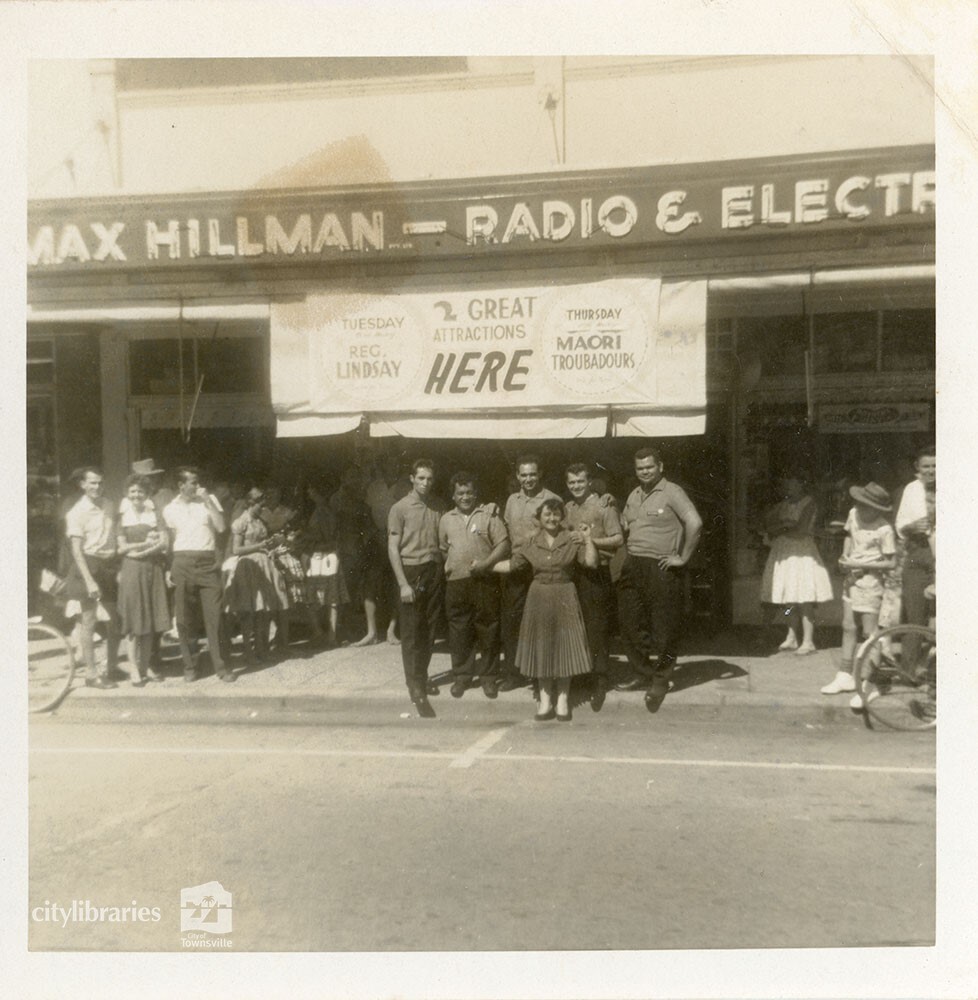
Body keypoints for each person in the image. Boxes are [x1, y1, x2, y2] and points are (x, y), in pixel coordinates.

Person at [493, 499, 598, 721]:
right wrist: (482, 565)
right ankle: (545, 700)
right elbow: (513, 565)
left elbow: (590, 563)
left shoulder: (572, 539)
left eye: (556, 515)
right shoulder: (530, 542)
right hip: (538, 598)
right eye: (547, 515)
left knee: (565, 648)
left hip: (565, 596)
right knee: (541, 648)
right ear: (539, 518)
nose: (552, 519)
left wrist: (588, 540)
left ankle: (562, 700)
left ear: (562, 516)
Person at [617, 446, 703, 713]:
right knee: (630, 621)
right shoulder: (634, 493)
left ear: (660, 467)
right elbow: (626, 523)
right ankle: (642, 672)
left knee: (664, 628)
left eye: (649, 467)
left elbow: (695, 523)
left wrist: (683, 557)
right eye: (640, 468)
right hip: (633, 564)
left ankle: (661, 679)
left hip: (662, 566)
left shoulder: (672, 492)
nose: (645, 472)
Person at [820, 482, 897, 705]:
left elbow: (891, 562)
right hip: (851, 578)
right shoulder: (853, 514)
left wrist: (861, 564)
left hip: (871, 581)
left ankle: (871, 682)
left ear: (879, 509)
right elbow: (848, 535)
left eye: (867, 506)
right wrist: (845, 556)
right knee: (848, 626)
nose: (861, 509)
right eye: (860, 504)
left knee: (869, 633)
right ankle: (845, 675)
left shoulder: (884, 529)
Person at [438, 471, 509, 699]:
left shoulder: (488, 515)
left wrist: (487, 564)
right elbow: (442, 548)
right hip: (457, 582)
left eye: (469, 492)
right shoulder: (446, 519)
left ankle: (488, 678)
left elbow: (503, 544)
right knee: (459, 630)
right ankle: (462, 676)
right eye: (460, 493)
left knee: (488, 628)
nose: (465, 497)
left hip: (485, 580)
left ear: (475, 493)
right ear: (453, 496)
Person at [162, 467, 236, 683]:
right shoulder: (170, 509)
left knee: (215, 617)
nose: (197, 486)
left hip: (207, 563)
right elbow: (168, 541)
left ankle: (222, 667)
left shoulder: (209, 500)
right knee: (185, 619)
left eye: (198, 481)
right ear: (181, 485)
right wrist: (169, 568)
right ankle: (190, 666)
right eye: (193, 482)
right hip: (182, 562)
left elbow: (221, 527)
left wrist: (208, 501)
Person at [388, 458, 445, 718]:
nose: (425, 483)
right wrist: (402, 583)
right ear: (412, 478)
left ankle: (421, 677)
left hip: (434, 571)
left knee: (430, 629)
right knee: (411, 632)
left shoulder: (438, 505)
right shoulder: (399, 508)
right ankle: (415, 687)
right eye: (420, 478)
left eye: (429, 479)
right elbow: (392, 548)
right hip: (411, 572)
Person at [564, 462, 624, 711]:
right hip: (573, 572)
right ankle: (581, 676)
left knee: (596, 627)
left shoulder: (603, 505)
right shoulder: (567, 507)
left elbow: (618, 538)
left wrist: (591, 540)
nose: (576, 486)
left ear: (590, 482)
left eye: (580, 481)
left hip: (596, 573)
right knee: (576, 626)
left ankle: (600, 680)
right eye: (572, 482)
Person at [500, 454, 560, 692]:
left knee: (542, 622)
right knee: (512, 621)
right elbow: (506, 531)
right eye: (523, 475)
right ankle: (515, 674)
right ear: (517, 476)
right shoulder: (512, 501)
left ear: (540, 473)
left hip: (541, 569)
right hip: (516, 567)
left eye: (532, 474)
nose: (528, 479)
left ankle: (541, 674)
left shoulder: (553, 499)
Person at [759, 473, 833, 655]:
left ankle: (808, 640)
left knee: (804, 596)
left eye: (791, 483)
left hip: (801, 553)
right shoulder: (784, 504)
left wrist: (783, 527)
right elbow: (769, 525)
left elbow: (801, 529)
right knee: (789, 598)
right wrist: (785, 525)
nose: (787, 488)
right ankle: (791, 636)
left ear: (801, 484)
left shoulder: (809, 503)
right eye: (786, 485)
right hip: (784, 551)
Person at [63, 467, 122, 689]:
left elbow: (114, 533)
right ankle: (91, 674)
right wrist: (89, 580)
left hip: (107, 566)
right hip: (87, 566)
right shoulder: (77, 512)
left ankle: (113, 667)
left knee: (115, 620)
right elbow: (76, 551)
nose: (97, 487)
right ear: (83, 485)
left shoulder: (109, 505)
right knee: (88, 622)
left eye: (100, 483)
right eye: (92, 483)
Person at [224, 487, 289, 665]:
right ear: (251, 503)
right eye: (260, 504)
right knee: (248, 610)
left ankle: (261, 648)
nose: (263, 507)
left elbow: (263, 543)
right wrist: (259, 546)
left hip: (263, 565)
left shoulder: (260, 522)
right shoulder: (241, 522)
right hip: (247, 567)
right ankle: (247, 650)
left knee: (263, 611)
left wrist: (271, 544)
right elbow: (236, 549)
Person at [115, 473, 169, 685]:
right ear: (128, 494)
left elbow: (164, 543)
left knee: (150, 620)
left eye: (140, 491)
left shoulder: (154, 514)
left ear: (147, 494)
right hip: (132, 571)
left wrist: (141, 551)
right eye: (133, 492)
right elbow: (121, 547)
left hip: (151, 569)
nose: (136, 495)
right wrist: (144, 545)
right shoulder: (123, 517)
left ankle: (145, 666)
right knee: (134, 622)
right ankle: (134, 669)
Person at [895, 445, 936, 664]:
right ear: (918, 468)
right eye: (926, 466)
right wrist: (912, 527)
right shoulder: (911, 489)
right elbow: (900, 525)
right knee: (914, 616)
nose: (931, 470)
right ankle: (908, 671)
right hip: (916, 553)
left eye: (935, 466)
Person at [364, 455, 411, 644]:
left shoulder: (406, 487)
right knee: (370, 583)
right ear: (383, 465)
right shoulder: (374, 486)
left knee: (396, 584)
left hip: (398, 540)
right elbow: (366, 512)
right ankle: (371, 631)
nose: (393, 466)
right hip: (376, 539)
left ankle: (392, 630)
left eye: (396, 463)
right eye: (389, 463)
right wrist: (374, 533)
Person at [303, 480, 349, 648]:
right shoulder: (324, 510)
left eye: (312, 491)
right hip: (327, 555)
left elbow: (328, 539)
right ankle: (328, 634)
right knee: (330, 597)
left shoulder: (323, 511)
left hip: (322, 555)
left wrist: (308, 543)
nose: (309, 494)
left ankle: (324, 633)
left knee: (320, 595)